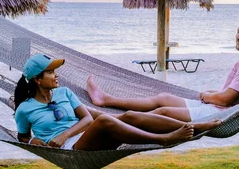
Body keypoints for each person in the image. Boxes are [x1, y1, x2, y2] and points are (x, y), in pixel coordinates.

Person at [14, 54, 222, 151]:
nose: (56, 75)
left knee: (128, 116)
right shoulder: (24, 109)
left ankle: (195, 126)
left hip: (84, 136)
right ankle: (164, 139)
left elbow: (87, 118)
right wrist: (34, 142)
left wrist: (65, 133)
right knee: (104, 121)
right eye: (51, 72)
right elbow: (23, 137)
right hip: (72, 151)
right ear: (37, 79)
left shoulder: (65, 93)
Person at [86, 16, 239, 124]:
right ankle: (106, 99)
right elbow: (233, 93)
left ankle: (109, 119)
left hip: (219, 114)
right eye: (238, 31)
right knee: (163, 98)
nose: (238, 37)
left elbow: (225, 100)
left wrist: (204, 96)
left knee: (163, 111)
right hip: (217, 107)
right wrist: (209, 94)